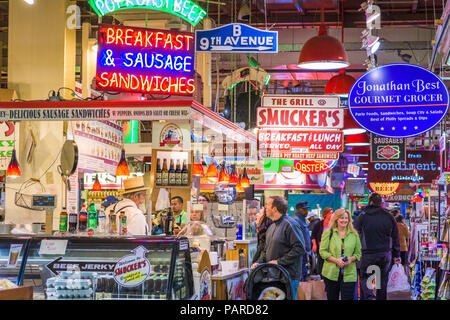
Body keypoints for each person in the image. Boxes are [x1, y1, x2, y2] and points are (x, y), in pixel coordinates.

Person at [251, 196, 306, 299]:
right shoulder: (271, 227)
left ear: (275, 208)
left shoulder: (291, 225)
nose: (265, 208)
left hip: (288, 276)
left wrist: (279, 261)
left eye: (268, 205)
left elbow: (299, 248)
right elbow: (265, 250)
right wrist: (258, 263)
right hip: (274, 276)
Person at [354, 193, 401, 300]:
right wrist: (396, 254)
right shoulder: (389, 217)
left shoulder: (363, 216)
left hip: (367, 254)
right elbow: (395, 237)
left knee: (366, 278)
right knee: (382, 280)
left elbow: (354, 233)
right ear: (381, 203)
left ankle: (370, 297)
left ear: (370, 202)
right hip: (385, 254)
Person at [320, 208, 362, 300]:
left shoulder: (354, 235)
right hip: (331, 273)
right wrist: (336, 260)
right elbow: (322, 251)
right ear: (336, 219)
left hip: (349, 273)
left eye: (346, 218)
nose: (344, 220)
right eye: (341, 218)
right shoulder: (328, 233)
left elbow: (358, 253)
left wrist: (350, 259)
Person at [292, 201, 312, 281]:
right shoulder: (296, 220)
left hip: (303, 253)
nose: (307, 211)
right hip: (299, 254)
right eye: (305, 209)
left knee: (303, 276)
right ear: (299, 210)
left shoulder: (301, 219)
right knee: (300, 278)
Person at [311, 208, 333, 275]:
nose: (332, 214)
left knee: (330, 262)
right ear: (326, 214)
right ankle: (321, 276)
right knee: (321, 262)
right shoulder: (319, 224)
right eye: (330, 213)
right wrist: (314, 245)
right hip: (320, 247)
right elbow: (313, 235)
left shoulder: (334, 224)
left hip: (331, 247)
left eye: (332, 213)